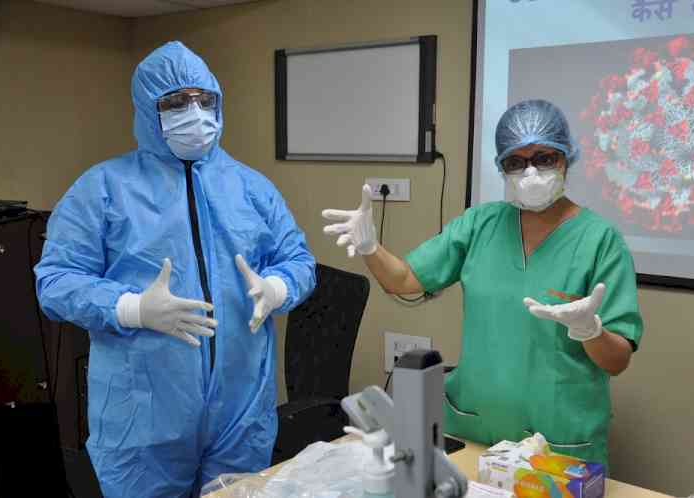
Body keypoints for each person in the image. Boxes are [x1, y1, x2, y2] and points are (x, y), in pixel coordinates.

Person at [35, 41, 316, 497]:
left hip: (240, 413)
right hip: (144, 421)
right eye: (175, 102)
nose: (195, 112)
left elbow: (298, 259)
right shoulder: (103, 189)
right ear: (148, 109)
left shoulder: (252, 188)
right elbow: (56, 281)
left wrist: (279, 287)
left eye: (205, 100)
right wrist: (131, 308)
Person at [322, 99, 643, 468]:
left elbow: (617, 360)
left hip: (559, 441)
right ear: (501, 167)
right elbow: (406, 280)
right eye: (516, 162)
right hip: (475, 432)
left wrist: (590, 330)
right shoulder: (481, 224)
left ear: (567, 157)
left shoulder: (600, 240)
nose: (531, 172)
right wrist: (370, 247)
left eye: (544, 158)